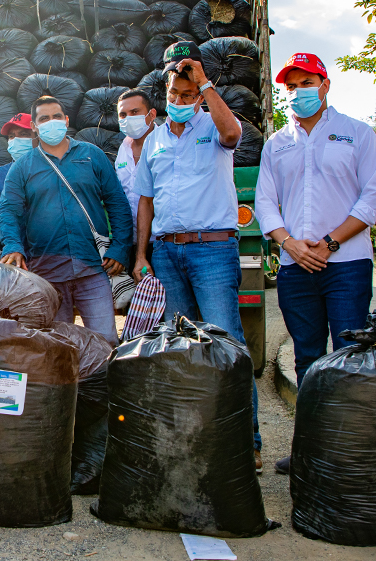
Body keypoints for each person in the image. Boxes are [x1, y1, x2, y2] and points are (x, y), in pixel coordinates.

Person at [254, 51, 376, 475]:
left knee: (348, 356)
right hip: (296, 268)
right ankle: (311, 449)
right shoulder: (278, 143)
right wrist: (289, 244)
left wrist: (330, 243)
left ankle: (349, 452)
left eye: (305, 83)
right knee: (307, 358)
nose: (297, 93)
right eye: (290, 87)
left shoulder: (357, 134)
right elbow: (264, 201)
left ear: (325, 84)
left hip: (346, 263)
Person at [131, 41, 265, 469]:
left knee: (226, 341)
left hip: (212, 250)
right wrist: (141, 255)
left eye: (189, 96)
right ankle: (195, 435)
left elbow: (233, 135)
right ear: (165, 93)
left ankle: (248, 441)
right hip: (168, 254)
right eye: (176, 95)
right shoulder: (152, 142)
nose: (182, 102)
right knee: (179, 346)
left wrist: (205, 83)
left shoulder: (213, 126)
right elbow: (145, 202)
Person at [0, 96, 131, 345]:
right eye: (44, 118)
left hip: (93, 268)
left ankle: (100, 385)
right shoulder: (23, 167)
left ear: (66, 120)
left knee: (105, 342)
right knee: (56, 348)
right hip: (47, 274)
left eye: (56, 116)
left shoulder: (92, 155)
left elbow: (117, 203)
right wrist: (13, 245)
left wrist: (121, 247)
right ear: (35, 127)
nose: (52, 122)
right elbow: (8, 211)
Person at [0, 113, 34, 262]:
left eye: (24, 134)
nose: (16, 140)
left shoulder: (50, 170)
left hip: (49, 258)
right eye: (11, 136)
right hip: (14, 259)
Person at [115, 89, 157, 227]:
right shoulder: (123, 149)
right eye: (122, 115)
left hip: (161, 238)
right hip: (131, 237)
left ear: (152, 114)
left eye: (134, 112)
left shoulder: (165, 144)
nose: (128, 118)